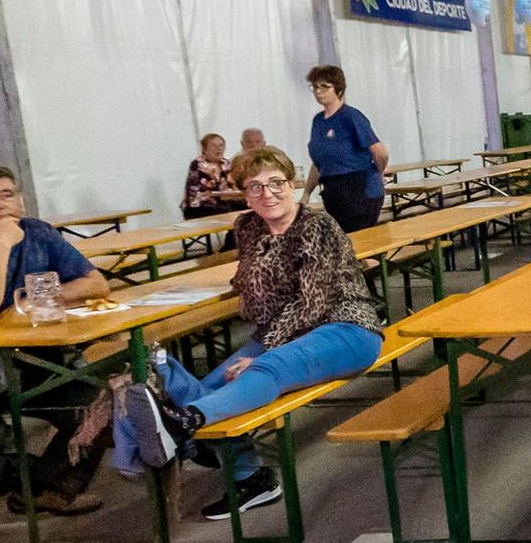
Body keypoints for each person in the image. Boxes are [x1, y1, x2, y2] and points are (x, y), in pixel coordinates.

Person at [119, 146, 385, 519]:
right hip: (276, 332)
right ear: (244, 194)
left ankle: (182, 426)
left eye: (276, 183)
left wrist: (262, 352)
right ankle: (251, 478)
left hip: (344, 327)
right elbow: (249, 277)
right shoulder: (247, 226)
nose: (267, 193)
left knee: (263, 372)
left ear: (291, 185)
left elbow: (312, 303)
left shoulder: (318, 226)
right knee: (213, 388)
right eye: (255, 187)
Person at [0, 168, 112, 514]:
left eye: (5, 194)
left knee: (102, 403)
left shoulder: (38, 233)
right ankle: (23, 478)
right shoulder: (5, 238)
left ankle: (51, 488)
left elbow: (96, 284)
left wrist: (34, 300)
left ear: (21, 201)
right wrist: (1, 245)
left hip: (37, 359)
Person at [300, 65, 388, 232]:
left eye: (324, 87)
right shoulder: (318, 121)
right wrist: (306, 193)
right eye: (315, 87)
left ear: (338, 88)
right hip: (333, 189)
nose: (319, 92)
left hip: (359, 188)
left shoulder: (351, 116)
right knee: (341, 239)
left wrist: (378, 172)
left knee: (359, 238)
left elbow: (380, 152)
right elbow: (319, 163)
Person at [181, 132, 236, 218]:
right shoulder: (198, 164)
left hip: (223, 205)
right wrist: (222, 194)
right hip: (199, 207)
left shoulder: (226, 163)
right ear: (204, 149)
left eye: (221, 145)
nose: (218, 149)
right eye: (213, 145)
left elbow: (233, 184)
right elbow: (195, 192)